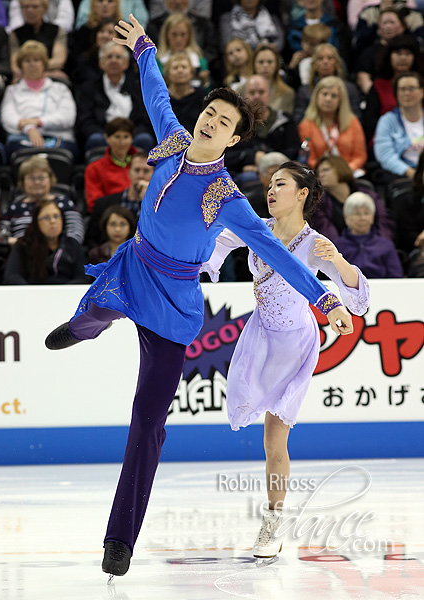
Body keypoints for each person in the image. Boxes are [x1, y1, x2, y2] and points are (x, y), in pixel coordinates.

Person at [44, 14, 353, 579]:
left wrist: (322, 297)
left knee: (148, 419)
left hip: (175, 301)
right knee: (93, 308)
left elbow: (279, 252)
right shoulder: (171, 139)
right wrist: (142, 47)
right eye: (209, 112)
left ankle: (120, 538)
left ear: (235, 138)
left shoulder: (227, 195)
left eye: (223, 121)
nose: (211, 121)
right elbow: (156, 91)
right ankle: (87, 322)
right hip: (132, 268)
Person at [201, 161, 370, 560]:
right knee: (260, 429)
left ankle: (273, 522)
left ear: (302, 194)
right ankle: (274, 518)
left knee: (275, 438)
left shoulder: (315, 245)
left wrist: (340, 264)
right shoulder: (256, 228)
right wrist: (200, 267)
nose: (271, 191)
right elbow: (218, 243)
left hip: (296, 347)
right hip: (260, 338)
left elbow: (359, 303)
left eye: (280, 184)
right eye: (269, 185)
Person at [0, 40, 79, 160]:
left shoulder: (60, 89)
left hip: (58, 138)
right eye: (27, 61)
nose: (32, 64)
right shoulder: (12, 91)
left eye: (36, 60)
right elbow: (8, 118)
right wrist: (30, 129)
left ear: (44, 64)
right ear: (21, 65)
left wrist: (39, 122)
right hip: (23, 139)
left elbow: (67, 117)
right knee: (15, 152)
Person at [75, 40, 154, 152]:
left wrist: (128, 137)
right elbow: (85, 120)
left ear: (126, 64)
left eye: (118, 57)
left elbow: (145, 118)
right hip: (102, 134)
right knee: (95, 140)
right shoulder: (88, 88)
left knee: (144, 139)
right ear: (101, 63)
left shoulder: (139, 88)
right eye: (109, 57)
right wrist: (108, 137)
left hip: (133, 134)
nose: (113, 60)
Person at [0, 155, 84, 244]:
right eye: (31, 178)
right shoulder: (14, 208)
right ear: (22, 182)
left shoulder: (65, 203)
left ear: (51, 179)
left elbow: (76, 233)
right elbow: (2, 237)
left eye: (41, 178)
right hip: (22, 253)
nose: (37, 182)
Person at [3, 199, 89, 284]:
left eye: (56, 216)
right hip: (33, 293)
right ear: (36, 222)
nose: (52, 221)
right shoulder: (23, 245)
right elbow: (12, 276)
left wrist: (62, 292)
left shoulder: (72, 244)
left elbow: (83, 277)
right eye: (46, 218)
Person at [314, 155, 395, 241]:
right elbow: (326, 232)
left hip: (375, 246)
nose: (321, 175)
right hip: (343, 250)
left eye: (325, 170)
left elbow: (384, 221)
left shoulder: (368, 194)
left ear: (340, 169)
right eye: (318, 173)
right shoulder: (319, 204)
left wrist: (381, 245)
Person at [298, 76, 367, 173]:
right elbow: (310, 158)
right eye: (324, 94)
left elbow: (360, 156)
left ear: (340, 100)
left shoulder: (352, 122)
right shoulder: (306, 125)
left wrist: (346, 171)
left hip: (349, 173)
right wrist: (326, 172)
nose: (328, 99)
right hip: (319, 174)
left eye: (334, 96)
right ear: (316, 97)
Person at [85, 149, 153, 247]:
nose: (141, 176)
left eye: (146, 171)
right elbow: (91, 240)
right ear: (129, 173)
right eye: (137, 170)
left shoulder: (159, 208)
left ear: (153, 175)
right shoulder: (103, 203)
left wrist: (147, 202)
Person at [335, 192, 403, 278]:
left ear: (372, 218)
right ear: (346, 218)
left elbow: (396, 277)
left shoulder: (386, 245)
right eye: (357, 214)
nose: (362, 218)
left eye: (366, 213)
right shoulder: (337, 247)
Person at [293, 43, 361, 124]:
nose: (325, 62)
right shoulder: (304, 91)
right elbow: (298, 121)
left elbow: (357, 119)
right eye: (320, 58)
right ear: (314, 63)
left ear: (336, 63)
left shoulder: (349, 89)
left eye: (330, 58)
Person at [374, 71, 424, 179]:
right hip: (404, 176)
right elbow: (385, 156)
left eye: (411, 88)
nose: (407, 93)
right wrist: (413, 174)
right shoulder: (387, 120)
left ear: (421, 91)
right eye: (402, 89)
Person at [84, 117, 139, 213]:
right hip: (110, 216)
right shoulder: (94, 168)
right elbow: (94, 203)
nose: (122, 142)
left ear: (132, 139)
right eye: (117, 137)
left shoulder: (144, 165)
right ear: (107, 138)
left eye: (126, 137)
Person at [9, 0, 68, 81]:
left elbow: (59, 60)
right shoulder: (15, 33)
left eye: (35, 7)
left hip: (51, 77)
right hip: (25, 77)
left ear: (45, 9)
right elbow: (15, 66)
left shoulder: (56, 30)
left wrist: (37, 72)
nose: (30, 10)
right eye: (26, 7)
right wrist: (36, 72)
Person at [155, 13, 210, 89]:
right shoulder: (158, 61)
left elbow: (207, 91)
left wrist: (204, 81)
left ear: (189, 35)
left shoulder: (199, 60)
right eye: (174, 34)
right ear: (166, 35)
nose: (178, 39)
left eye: (183, 34)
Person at [164, 51, 206, 135]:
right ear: (168, 74)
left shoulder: (200, 95)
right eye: (175, 68)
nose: (180, 71)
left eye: (184, 67)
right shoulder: (162, 98)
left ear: (191, 73)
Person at [219, 0, 285, 53]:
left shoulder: (272, 18)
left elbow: (279, 43)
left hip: (267, 57)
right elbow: (227, 44)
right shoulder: (227, 18)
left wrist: (269, 47)